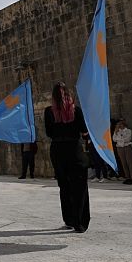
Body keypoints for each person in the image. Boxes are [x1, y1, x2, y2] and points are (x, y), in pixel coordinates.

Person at [44, 82, 89, 233]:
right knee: (80, 186)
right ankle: (80, 222)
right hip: (74, 150)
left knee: (64, 186)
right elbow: (83, 130)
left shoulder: (48, 112)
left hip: (57, 150)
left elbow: (49, 133)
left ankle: (69, 219)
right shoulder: (76, 111)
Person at [112, 117, 132, 185]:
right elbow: (114, 139)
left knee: (130, 163)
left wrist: (119, 140)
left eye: (121, 124)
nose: (120, 125)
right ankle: (127, 177)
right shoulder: (117, 131)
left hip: (127, 147)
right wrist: (116, 133)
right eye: (119, 124)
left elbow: (127, 139)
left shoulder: (128, 130)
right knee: (124, 163)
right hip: (120, 148)